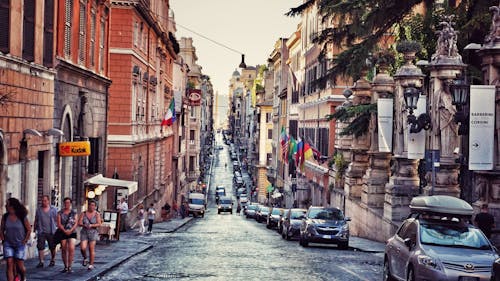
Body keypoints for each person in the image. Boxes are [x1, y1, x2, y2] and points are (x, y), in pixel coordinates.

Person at [0, 198, 31, 281]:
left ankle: (23, 277)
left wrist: (25, 240)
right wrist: (3, 239)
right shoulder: (5, 216)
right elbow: (1, 229)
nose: (5, 205)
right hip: (8, 244)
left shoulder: (22, 216)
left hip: (20, 244)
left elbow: (28, 229)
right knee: (9, 263)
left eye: (7, 204)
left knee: (20, 266)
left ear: (11, 206)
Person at [33, 195, 58, 268]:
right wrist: (34, 230)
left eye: (45, 200)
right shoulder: (39, 210)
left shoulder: (53, 209)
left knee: (52, 247)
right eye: (42, 200)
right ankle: (41, 261)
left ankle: (53, 259)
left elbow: (57, 219)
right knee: (40, 247)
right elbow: (36, 219)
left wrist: (57, 227)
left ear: (48, 201)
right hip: (41, 231)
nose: (44, 202)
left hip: (51, 231)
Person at [78, 200, 102, 270]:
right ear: (88, 206)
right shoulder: (83, 213)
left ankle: (91, 264)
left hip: (93, 232)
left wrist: (91, 225)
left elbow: (99, 223)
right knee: (83, 248)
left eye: (93, 205)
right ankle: (85, 257)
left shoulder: (97, 214)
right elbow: (79, 223)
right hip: (84, 232)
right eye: (90, 205)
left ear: (95, 206)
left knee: (91, 248)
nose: (91, 207)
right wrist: (84, 225)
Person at [57, 197, 78, 273]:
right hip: (63, 232)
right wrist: (64, 230)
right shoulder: (60, 212)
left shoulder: (74, 212)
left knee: (71, 248)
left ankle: (70, 266)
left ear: (70, 204)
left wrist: (71, 230)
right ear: (64, 203)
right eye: (66, 203)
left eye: (68, 203)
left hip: (72, 232)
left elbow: (76, 223)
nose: (67, 204)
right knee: (64, 249)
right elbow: (59, 223)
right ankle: (65, 266)